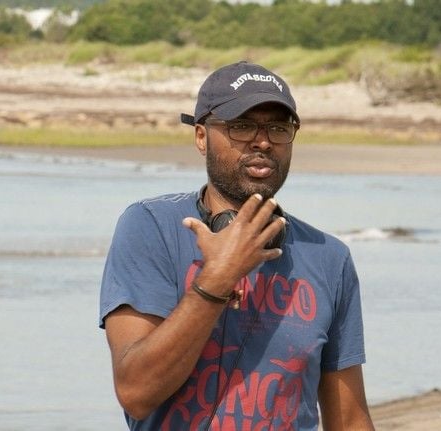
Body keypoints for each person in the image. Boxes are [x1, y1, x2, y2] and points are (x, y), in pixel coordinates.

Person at [99, 61, 374, 430]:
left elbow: (350, 420)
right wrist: (215, 281)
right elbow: (136, 392)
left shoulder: (329, 257)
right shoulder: (151, 227)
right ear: (200, 136)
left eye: (278, 128)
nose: (262, 141)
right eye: (241, 126)